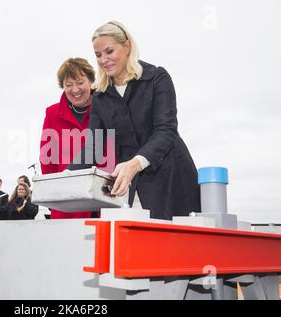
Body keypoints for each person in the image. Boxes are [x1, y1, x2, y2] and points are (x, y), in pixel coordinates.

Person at [68, 21, 200, 220]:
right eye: (98, 55)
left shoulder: (157, 77)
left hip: (171, 180)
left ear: (127, 46)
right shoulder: (100, 96)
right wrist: (66, 176)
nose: (103, 60)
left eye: (109, 51)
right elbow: (93, 147)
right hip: (130, 187)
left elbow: (166, 131)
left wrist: (136, 163)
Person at [39, 57, 98, 219]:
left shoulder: (106, 108)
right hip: (67, 203)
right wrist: (55, 197)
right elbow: (47, 158)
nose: (75, 90)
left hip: (104, 201)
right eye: (68, 85)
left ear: (91, 81)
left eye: (80, 82)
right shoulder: (52, 113)